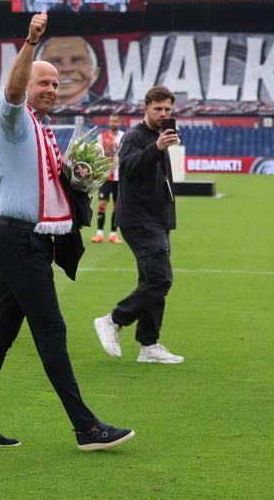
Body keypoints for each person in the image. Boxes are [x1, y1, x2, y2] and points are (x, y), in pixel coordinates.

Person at [0, 11, 133, 451]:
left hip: (30, 240)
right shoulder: (13, 121)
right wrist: (31, 42)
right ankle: (86, 427)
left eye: (56, 84)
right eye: (45, 83)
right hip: (18, 238)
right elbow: (14, 92)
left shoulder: (41, 128)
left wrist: (78, 179)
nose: (51, 89)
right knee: (51, 331)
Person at [94, 86, 185, 365]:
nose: (163, 114)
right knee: (160, 279)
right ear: (145, 108)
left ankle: (149, 345)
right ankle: (114, 319)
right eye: (158, 109)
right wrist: (156, 149)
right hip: (139, 220)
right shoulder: (135, 137)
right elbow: (129, 168)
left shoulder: (160, 136)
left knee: (151, 282)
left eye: (168, 110)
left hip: (157, 219)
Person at [38, 36, 103, 105]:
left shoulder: (109, 108)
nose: (67, 69)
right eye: (55, 62)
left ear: (96, 73)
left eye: (78, 61)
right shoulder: (27, 110)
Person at [92, 114, 124, 243]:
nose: (113, 123)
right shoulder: (101, 136)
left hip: (120, 177)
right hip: (105, 176)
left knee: (117, 206)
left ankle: (113, 234)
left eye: (115, 121)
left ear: (119, 123)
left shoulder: (124, 136)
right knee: (102, 204)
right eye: (111, 121)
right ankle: (99, 233)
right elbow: (97, 154)